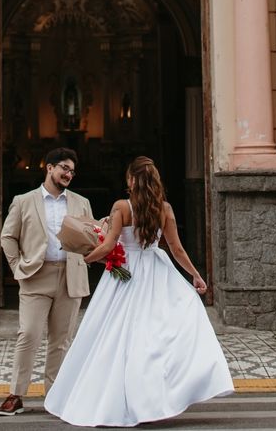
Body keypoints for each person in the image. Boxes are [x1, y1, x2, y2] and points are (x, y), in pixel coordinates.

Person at [44, 156, 234, 427]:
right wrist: (196, 275)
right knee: (154, 335)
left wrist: (86, 258)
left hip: (126, 273)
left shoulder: (122, 207)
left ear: (131, 180)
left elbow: (108, 245)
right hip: (156, 271)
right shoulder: (164, 209)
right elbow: (177, 249)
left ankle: (113, 396)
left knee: (112, 333)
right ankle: (156, 394)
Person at [0, 147, 93, 416]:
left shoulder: (81, 203)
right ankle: (16, 394)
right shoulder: (24, 201)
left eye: (72, 171)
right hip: (36, 276)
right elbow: (8, 237)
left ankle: (55, 396)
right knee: (28, 334)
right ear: (49, 168)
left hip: (70, 277)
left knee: (61, 341)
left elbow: (90, 236)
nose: (68, 174)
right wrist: (17, 267)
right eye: (64, 168)